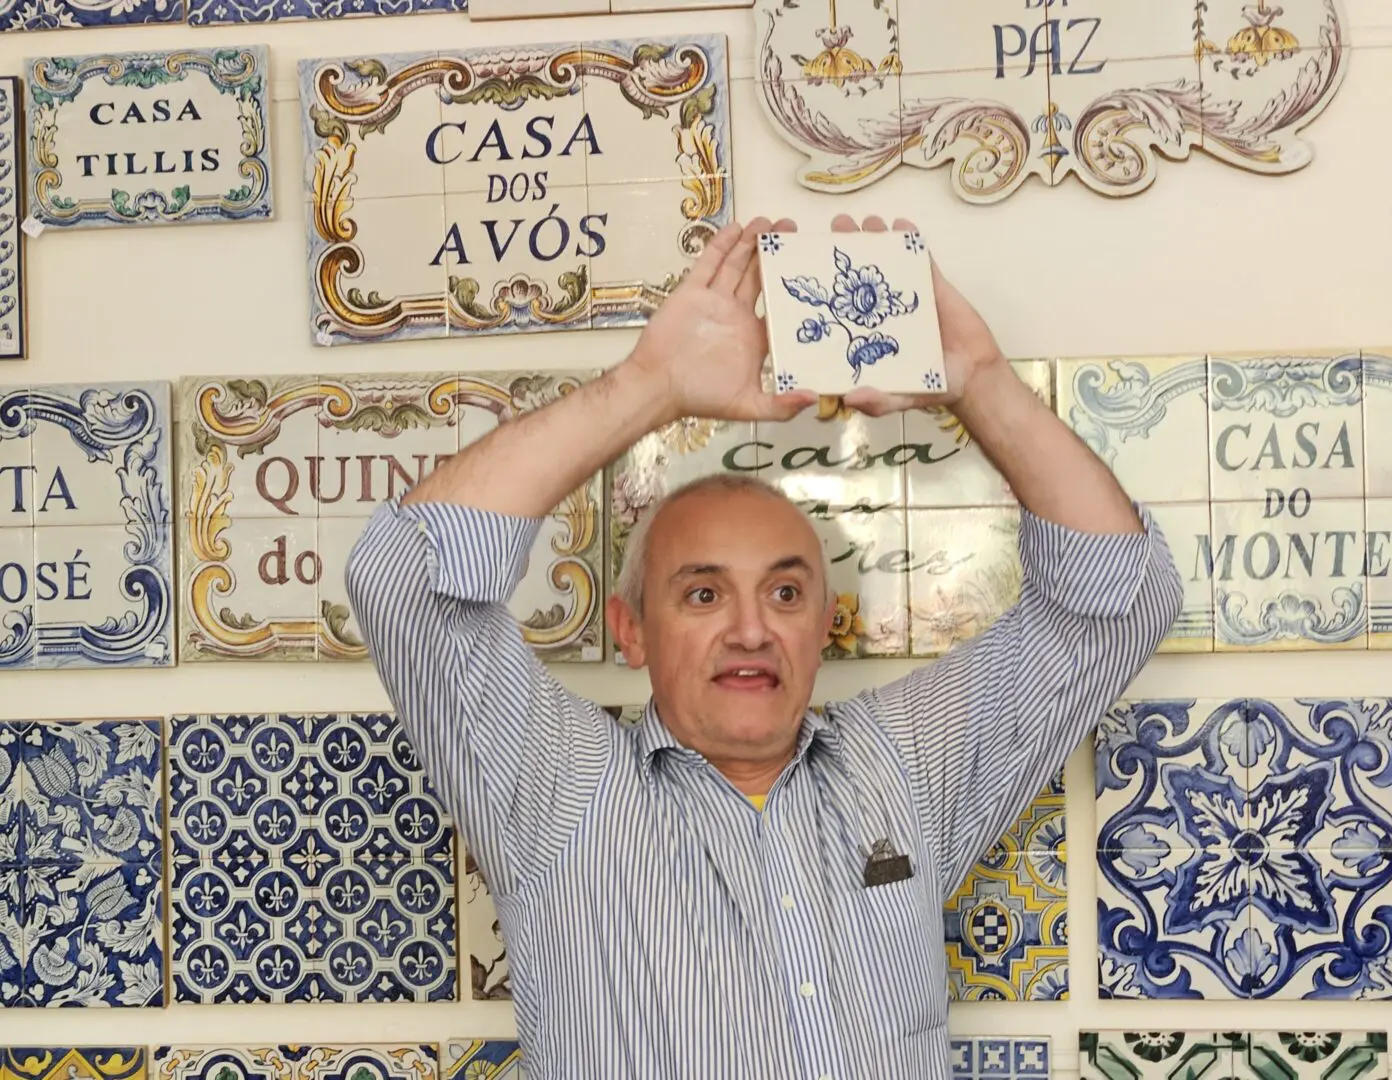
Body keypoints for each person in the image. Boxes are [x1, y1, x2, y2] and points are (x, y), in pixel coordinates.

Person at [345, 213, 1183, 1079]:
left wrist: (981, 381)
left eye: (785, 593)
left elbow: (1116, 599)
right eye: (703, 593)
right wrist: (650, 385)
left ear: (823, 627)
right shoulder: (558, 793)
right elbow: (408, 575)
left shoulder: (900, 767)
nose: (751, 629)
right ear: (632, 630)